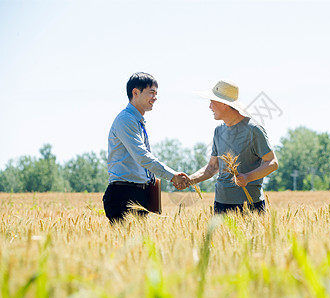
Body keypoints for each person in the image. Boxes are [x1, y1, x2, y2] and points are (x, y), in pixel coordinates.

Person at [179, 80, 278, 214]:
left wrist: (248, 177)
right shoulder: (218, 131)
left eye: (212, 101)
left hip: (249, 204)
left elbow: (272, 163)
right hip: (221, 203)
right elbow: (213, 167)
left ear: (224, 103)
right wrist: (189, 180)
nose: (209, 106)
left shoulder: (253, 130)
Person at [103, 72, 188, 223]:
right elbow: (142, 156)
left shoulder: (137, 121)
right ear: (135, 92)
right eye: (151, 92)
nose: (155, 97)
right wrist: (172, 176)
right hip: (123, 194)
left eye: (156, 93)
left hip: (138, 193)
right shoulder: (126, 120)